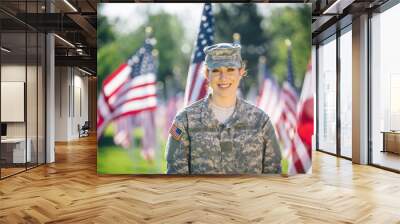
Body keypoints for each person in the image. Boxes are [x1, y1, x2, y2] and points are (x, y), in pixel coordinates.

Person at [166, 43, 281, 174]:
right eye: (216, 70)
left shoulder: (261, 122)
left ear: (241, 72)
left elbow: (273, 176)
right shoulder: (185, 121)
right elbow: (176, 178)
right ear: (206, 74)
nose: (223, 77)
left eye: (230, 69)